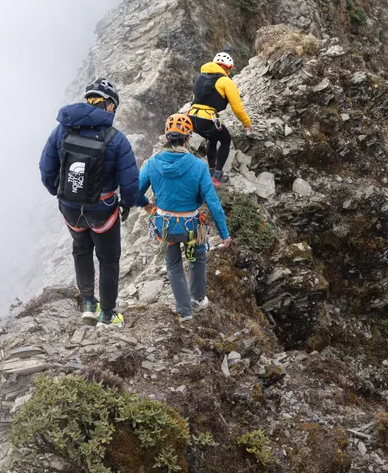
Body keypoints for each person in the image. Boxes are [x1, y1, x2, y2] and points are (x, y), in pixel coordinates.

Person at [39, 78, 139, 328]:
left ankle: (88, 305)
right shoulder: (116, 139)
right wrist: (126, 205)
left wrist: (58, 192)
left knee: (81, 250)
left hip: (70, 209)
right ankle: (107, 314)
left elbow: (46, 167)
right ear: (108, 106)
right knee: (108, 258)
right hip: (103, 209)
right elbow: (129, 182)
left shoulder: (61, 131)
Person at [137, 114, 231, 323]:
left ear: (167, 137)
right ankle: (197, 299)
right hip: (192, 227)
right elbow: (213, 202)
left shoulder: (152, 164)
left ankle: (184, 312)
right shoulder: (198, 166)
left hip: (165, 226)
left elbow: (135, 192)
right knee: (197, 258)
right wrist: (224, 233)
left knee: (173, 266)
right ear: (188, 138)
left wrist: (147, 205)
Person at [189, 52, 251, 186]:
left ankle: (210, 171)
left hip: (192, 118)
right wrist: (247, 123)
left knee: (212, 138)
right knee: (225, 139)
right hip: (207, 118)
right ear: (226, 67)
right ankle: (217, 176)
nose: (229, 72)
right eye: (229, 69)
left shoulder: (200, 77)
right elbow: (237, 108)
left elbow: (195, 100)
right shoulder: (225, 81)